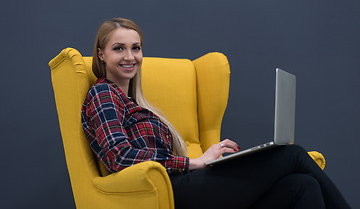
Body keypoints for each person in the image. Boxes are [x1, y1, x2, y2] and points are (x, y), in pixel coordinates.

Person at [81, 18, 351, 209]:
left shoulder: (134, 103)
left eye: (136, 47)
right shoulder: (103, 93)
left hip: (185, 185)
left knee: (303, 186)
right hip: (170, 192)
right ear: (101, 55)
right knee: (291, 154)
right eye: (119, 48)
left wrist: (206, 162)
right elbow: (119, 156)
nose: (130, 56)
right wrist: (195, 163)